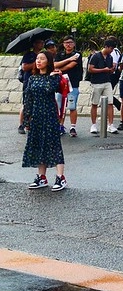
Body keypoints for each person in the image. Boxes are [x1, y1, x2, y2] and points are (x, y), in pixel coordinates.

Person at [22, 51, 68, 191]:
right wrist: (27, 119)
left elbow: (50, 89)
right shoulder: (32, 78)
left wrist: (52, 76)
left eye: (42, 59)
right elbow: (28, 99)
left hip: (49, 115)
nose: (38, 61)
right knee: (38, 145)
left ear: (48, 62)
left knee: (53, 145)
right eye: (37, 58)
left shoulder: (54, 77)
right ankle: (41, 177)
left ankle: (60, 177)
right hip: (36, 116)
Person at [87, 39, 119, 134]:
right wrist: (103, 70)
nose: (111, 51)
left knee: (110, 103)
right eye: (111, 48)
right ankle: (93, 124)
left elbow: (109, 70)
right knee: (95, 103)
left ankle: (110, 125)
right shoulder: (95, 56)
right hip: (96, 82)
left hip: (107, 81)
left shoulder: (110, 57)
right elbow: (90, 69)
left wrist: (111, 70)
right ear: (106, 47)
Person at [53, 36, 82, 138]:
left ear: (74, 44)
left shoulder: (77, 54)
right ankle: (60, 125)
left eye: (70, 42)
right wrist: (68, 59)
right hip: (60, 84)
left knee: (72, 106)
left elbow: (71, 65)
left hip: (73, 84)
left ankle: (72, 127)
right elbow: (55, 64)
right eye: (65, 43)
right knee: (59, 106)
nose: (68, 44)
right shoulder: (60, 54)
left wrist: (60, 69)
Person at [18, 37, 45, 134]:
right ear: (34, 44)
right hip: (29, 81)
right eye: (39, 42)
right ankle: (22, 124)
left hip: (40, 81)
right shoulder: (29, 55)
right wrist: (36, 63)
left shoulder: (43, 55)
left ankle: (33, 124)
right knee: (26, 103)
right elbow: (24, 67)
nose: (41, 44)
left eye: (42, 42)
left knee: (38, 104)